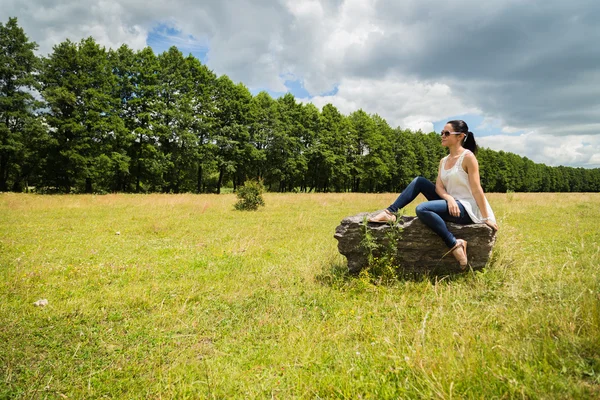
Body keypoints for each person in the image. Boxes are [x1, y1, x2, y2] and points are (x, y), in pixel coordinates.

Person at [369, 120, 499, 269]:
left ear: (460, 136)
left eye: (447, 133)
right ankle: (389, 212)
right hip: (451, 204)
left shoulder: (468, 157)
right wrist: (449, 198)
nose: (442, 136)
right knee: (419, 181)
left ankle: (455, 244)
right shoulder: (443, 161)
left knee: (422, 209)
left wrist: (487, 218)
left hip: (466, 207)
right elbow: (439, 187)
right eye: (442, 133)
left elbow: (477, 189)